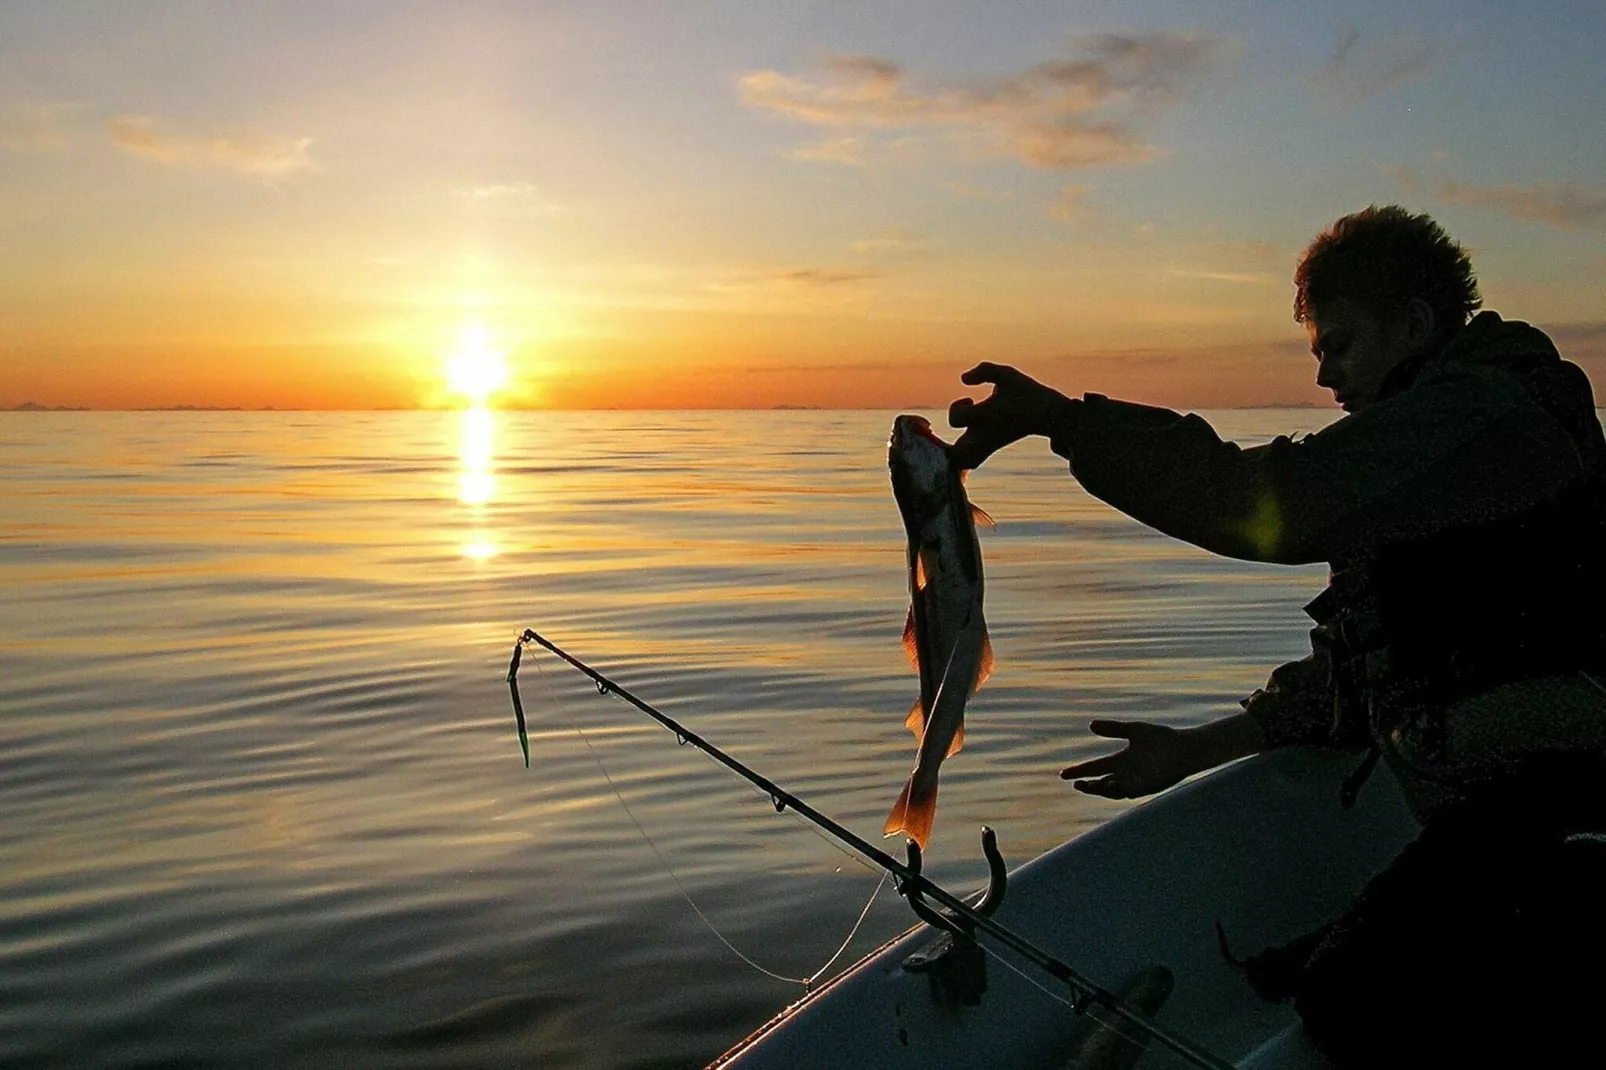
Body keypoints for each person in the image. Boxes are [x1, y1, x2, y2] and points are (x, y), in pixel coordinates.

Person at [947, 204, 1606, 1066]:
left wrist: (1065, 422)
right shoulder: (1434, 449)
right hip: (1506, 802)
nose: (1327, 377)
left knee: (1349, 1002)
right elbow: (1359, 674)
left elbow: (1267, 502)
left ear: (1412, 324)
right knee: (1309, 976)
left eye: (1340, 345)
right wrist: (1192, 751)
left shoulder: (1479, 417)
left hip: (1563, 804)